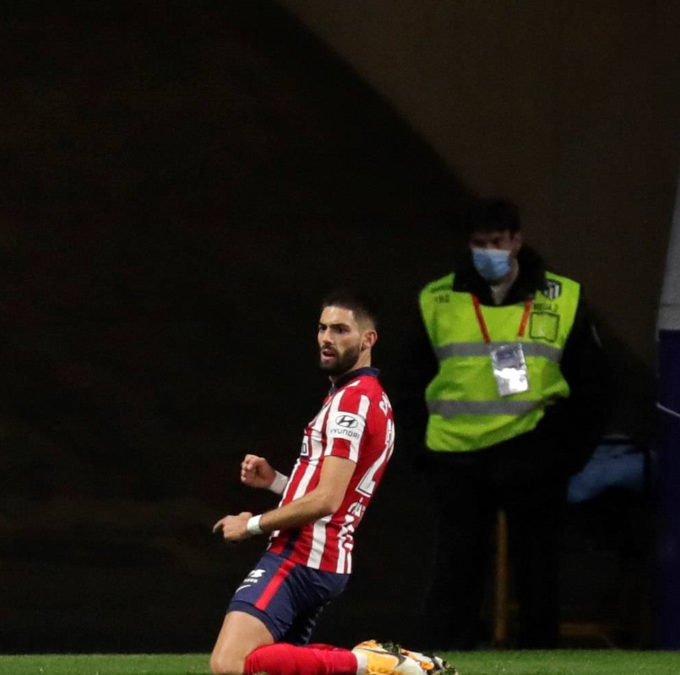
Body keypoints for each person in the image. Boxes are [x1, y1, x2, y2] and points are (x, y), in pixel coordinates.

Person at [209, 292, 454, 675]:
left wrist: (251, 525)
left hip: (301, 555)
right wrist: (277, 482)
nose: (327, 338)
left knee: (229, 663)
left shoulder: (352, 403)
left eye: (340, 330)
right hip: (323, 557)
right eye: (323, 328)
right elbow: (337, 490)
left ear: (368, 339)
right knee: (281, 664)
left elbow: (326, 499)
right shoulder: (364, 397)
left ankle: (373, 661)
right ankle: (386, 661)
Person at [415, 198, 607, 649]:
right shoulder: (438, 299)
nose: (488, 252)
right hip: (457, 455)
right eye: (479, 243)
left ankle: (539, 657)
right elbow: (410, 381)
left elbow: (596, 388)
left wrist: (564, 455)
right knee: (457, 569)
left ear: (517, 241)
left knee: (538, 570)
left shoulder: (562, 297)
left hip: (532, 452)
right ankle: (449, 657)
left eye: (497, 242)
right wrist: (421, 454)